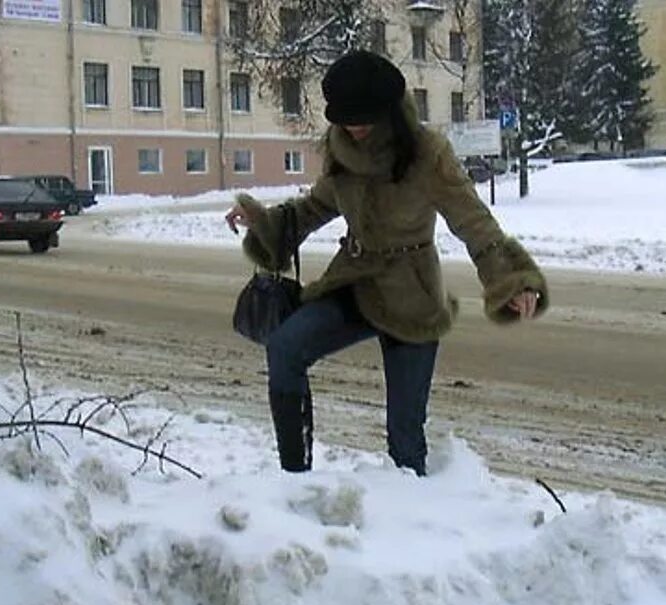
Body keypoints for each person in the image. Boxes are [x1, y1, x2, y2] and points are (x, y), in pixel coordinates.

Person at [224, 50, 548, 476]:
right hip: (354, 282)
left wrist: (514, 280)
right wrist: (263, 221)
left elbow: (474, 220)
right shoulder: (341, 149)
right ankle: (294, 476)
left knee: (405, 436)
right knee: (284, 348)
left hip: (410, 294)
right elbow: (315, 207)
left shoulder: (426, 152)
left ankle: (410, 518)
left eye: (363, 118)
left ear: (388, 112)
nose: (354, 128)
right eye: (345, 119)